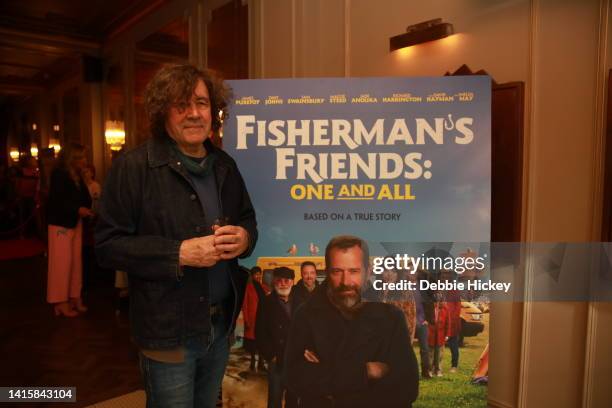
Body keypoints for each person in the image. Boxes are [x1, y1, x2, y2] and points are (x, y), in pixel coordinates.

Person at [95, 64, 258, 408]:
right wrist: (178, 253)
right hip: (168, 333)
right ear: (162, 112)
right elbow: (107, 247)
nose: (194, 113)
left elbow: (248, 220)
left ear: (214, 110)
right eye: (181, 105)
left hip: (221, 328)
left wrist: (244, 238)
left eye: (201, 103)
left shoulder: (225, 165)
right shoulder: (134, 167)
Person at [284, 235, 419, 408]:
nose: (345, 282)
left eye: (354, 271)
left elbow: (407, 388)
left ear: (368, 271)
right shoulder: (305, 315)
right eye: (337, 271)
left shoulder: (391, 317)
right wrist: (366, 372)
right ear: (327, 271)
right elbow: (295, 378)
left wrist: (326, 374)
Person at [46, 143, 93, 317]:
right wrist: (76, 209)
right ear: (72, 159)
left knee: (75, 263)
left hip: (75, 222)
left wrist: (84, 206)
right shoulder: (59, 174)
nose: (85, 161)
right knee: (61, 264)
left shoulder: (78, 176)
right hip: (60, 224)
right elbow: (57, 201)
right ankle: (60, 301)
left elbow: (85, 199)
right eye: (81, 158)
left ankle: (75, 297)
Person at [256, 267, 298, 408]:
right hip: (276, 360)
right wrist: (270, 356)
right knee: (274, 399)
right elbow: (260, 331)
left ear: (292, 282)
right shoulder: (266, 302)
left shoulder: (300, 302)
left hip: (295, 359)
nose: (283, 283)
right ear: (274, 282)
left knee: (294, 398)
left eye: (286, 280)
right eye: (279, 280)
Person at [242, 266, 269, 371]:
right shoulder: (248, 288)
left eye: (259, 273)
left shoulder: (264, 287)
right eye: (256, 274)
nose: (258, 276)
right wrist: (246, 320)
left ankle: (261, 363)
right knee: (253, 343)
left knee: (262, 341)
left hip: (263, 319)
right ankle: (253, 362)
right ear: (252, 276)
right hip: (253, 319)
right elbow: (245, 305)